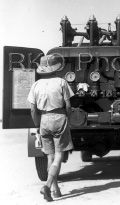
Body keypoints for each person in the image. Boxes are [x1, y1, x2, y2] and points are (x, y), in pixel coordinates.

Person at [27, 54, 74, 202]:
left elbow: (33, 110)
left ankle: (56, 190)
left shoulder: (35, 85)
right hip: (59, 118)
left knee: (50, 156)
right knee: (59, 155)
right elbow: (68, 105)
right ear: (56, 68)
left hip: (44, 121)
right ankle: (47, 186)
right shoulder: (61, 82)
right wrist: (67, 118)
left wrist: (37, 124)